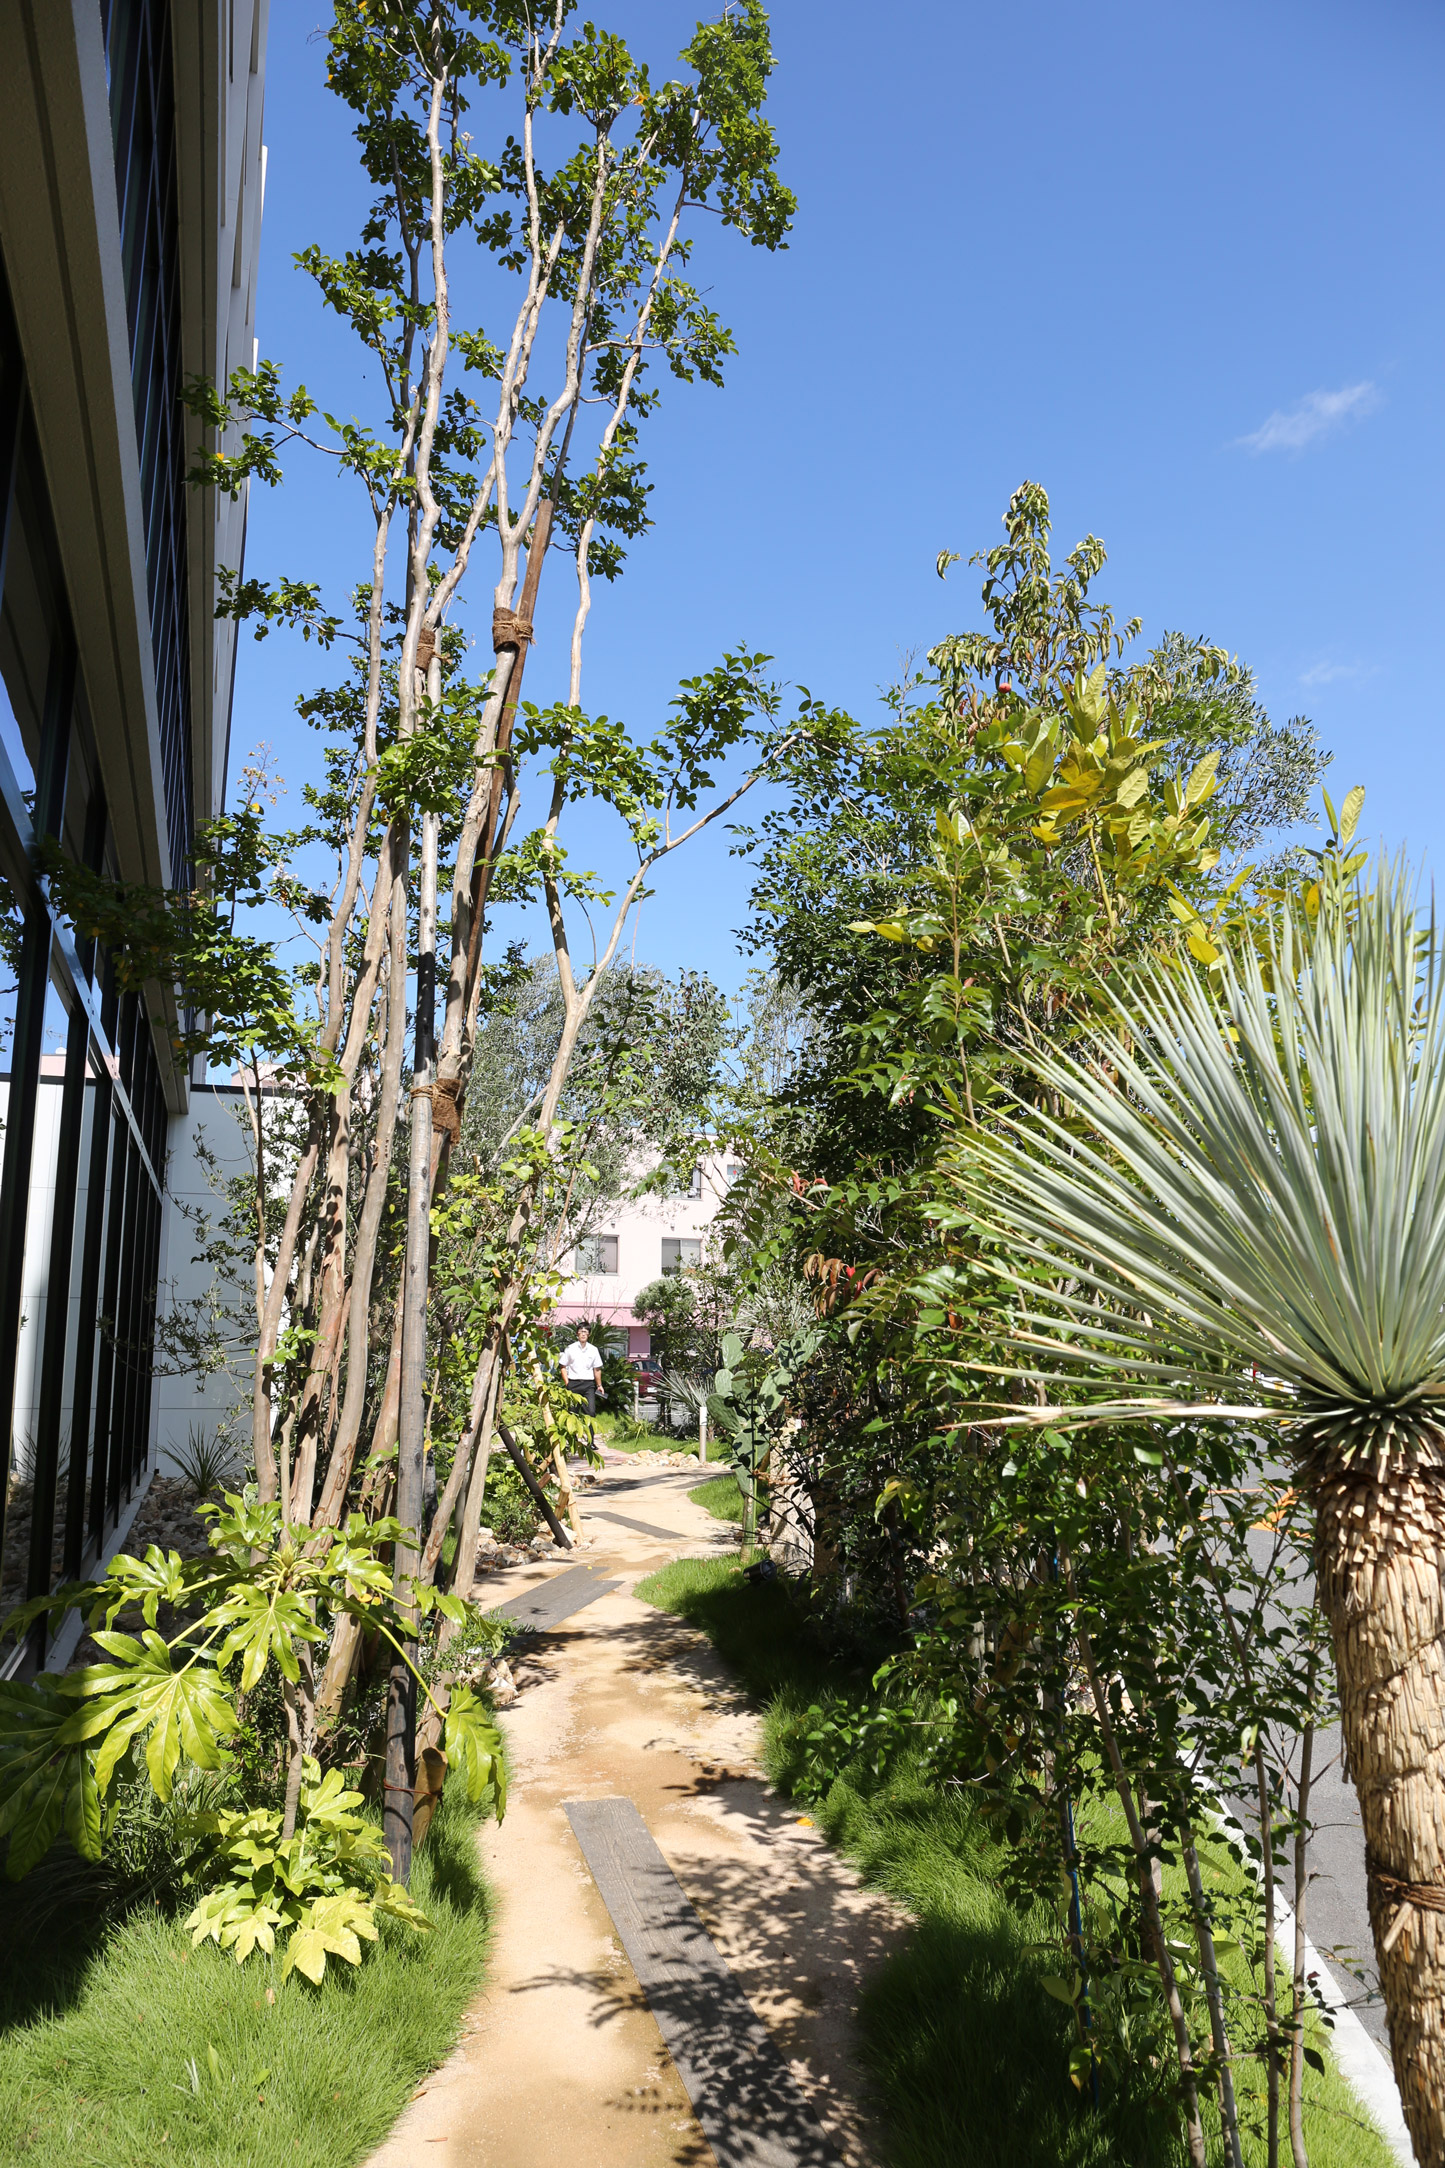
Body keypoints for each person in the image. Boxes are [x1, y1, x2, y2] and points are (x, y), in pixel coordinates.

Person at [559, 1324, 606, 1418]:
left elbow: (597, 1369)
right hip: (573, 1384)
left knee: (591, 1412)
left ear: (589, 1334)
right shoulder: (570, 1348)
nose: (583, 1334)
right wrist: (567, 1383)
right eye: (581, 1331)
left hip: (588, 1385)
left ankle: (590, 1433)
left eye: (585, 1332)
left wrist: (599, 1385)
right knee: (572, 1413)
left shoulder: (593, 1350)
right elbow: (563, 1366)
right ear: (577, 1334)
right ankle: (573, 1432)